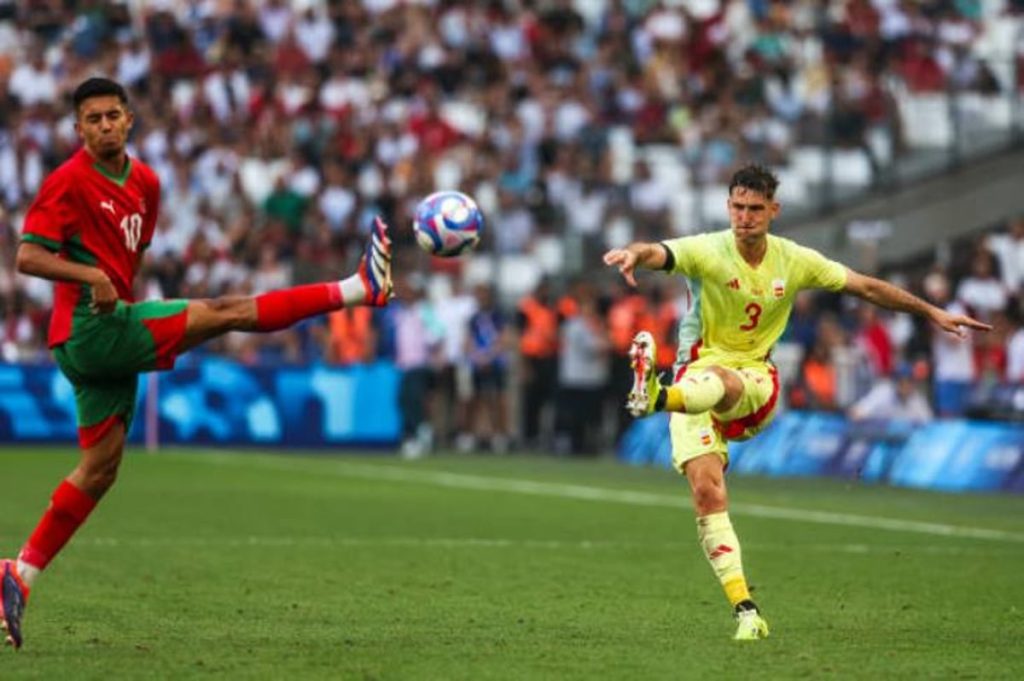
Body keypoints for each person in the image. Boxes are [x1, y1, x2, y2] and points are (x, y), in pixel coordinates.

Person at [1, 78, 394, 650]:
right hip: (90, 330)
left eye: (112, 115)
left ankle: (19, 574)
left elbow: (128, 257)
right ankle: (358, 288)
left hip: (101, 338)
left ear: (129, 119)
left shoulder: (147, 184)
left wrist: (114, 287)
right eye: (93, 118)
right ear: (78, 128)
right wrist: (92, 278)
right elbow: (27, 255)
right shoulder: (67, 181)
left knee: (100, 470)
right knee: (227, 310)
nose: (105, 125)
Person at [602, 163, 990, 641]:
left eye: (755, 208)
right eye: (737, 207)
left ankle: (657, 396)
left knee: (722, 379)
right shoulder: (706, 250)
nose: (744, 217)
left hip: (754, 381)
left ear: (774, 210)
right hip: (692, 382)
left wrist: (931, 311)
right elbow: (657, 252)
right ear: (728, 207)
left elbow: (866, 286)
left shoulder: (794, 260)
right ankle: (746, 610)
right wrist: (633, 254)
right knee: (707, 491)